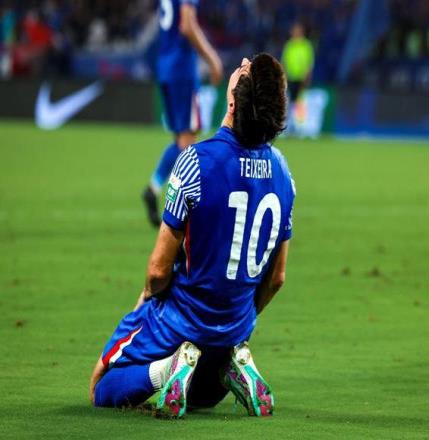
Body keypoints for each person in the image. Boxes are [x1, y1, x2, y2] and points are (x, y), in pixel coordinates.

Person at [90, 53, 295, 418]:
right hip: (234, 329)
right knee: (200, 398)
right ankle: (232, 364)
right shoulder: (283, 173)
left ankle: (167, 368)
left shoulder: (195, 161)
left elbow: (157, 272)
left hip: (180, 320)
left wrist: (142, 306)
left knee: (102, 386)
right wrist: (239, 319)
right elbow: (277, 278)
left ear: (232, 103)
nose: (242, 61)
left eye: (244, 69)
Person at [142, 0, 223, 227]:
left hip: (165, 67)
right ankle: (183, 212)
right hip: (182, 69)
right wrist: (212, 58)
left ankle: (153, 188)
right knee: (188, 143)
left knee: (181, 141)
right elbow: (187, 25)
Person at [281, 22, 314, 131]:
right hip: (290, 77)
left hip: (301, 78)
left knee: (300, 102)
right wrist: (283, 75)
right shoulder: (289, 45)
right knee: (288, 101)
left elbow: (309, 62)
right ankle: (287, 126)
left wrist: (307, 76)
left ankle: (300, 126)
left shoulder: (306, 45)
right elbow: (284, 61)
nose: (294, 32)